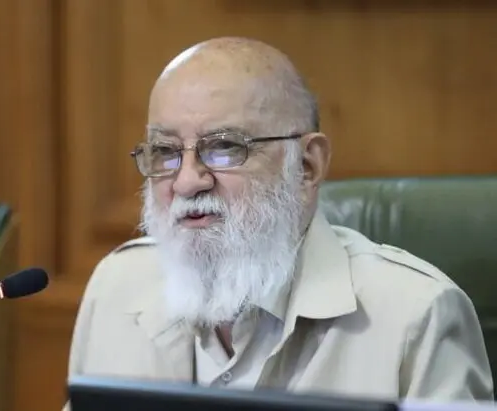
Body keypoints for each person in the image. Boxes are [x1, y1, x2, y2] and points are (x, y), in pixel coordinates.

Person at [66, 37, 493, 402]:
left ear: (306, 166)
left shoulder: (415, 316)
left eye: (225, 148)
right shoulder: (117, 286)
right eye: (165, 152)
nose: (187, 181)